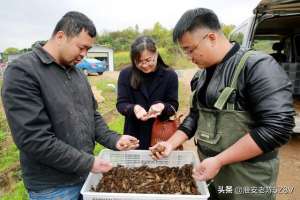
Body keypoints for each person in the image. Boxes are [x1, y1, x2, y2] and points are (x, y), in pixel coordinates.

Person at [150, 8, 295, 200]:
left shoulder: (257, 67)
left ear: (211, 37)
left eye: (190, 49)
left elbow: (278, 128)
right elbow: (195, 116)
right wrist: (170, 144)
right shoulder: (199, 76)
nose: (188, 57)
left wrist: (219, 160)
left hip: (248, 177)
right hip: (210, 171)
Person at [1, 11, 139, 200]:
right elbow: (33, 138)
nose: (84, 55)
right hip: (53, 187)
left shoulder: (77, 73)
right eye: (81, 47)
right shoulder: (23, 71)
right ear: (60, 36)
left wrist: (114, 139)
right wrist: (89, 162)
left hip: (84, 176)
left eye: (87, 50)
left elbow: (92, 115)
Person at [116, 36, 179, 149]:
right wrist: (134, 108)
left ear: (156, 54)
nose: (144, 65)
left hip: (160, 133)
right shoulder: (126, 74)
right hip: (134, 132)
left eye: (148, 60)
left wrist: (162, 107)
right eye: (139, 62)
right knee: (134, 165)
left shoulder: (170, 75)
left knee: (161, 163)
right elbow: (121, 104)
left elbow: (173, 105)